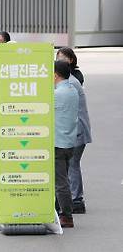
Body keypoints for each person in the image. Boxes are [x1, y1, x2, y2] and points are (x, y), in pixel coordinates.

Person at [57, 49, 92, 214]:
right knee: (71, 165)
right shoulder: (69, 82)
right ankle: (73, 199)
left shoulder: (70, 83)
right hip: (74, 130)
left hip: (75, 131)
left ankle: (76, 200)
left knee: (71, 165)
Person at [54, 60, 79, 228]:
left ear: (55, 75)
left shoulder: (57, 94)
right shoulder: (73, 90)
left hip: (58, 142)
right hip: (69, 140)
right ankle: (60, 210)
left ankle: (66, 215)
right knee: (63, 179)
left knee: (61, 181)